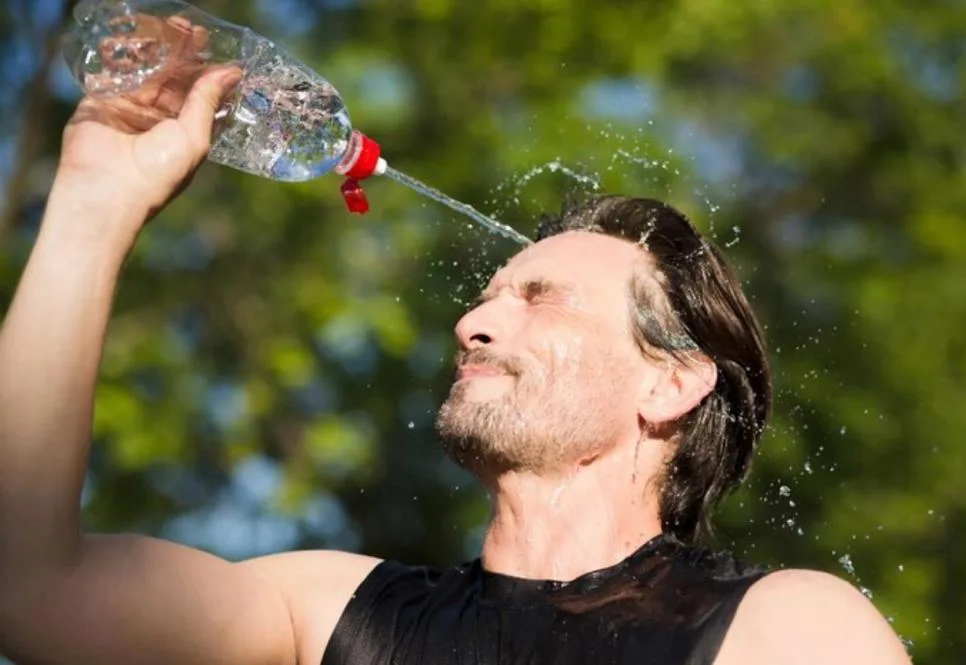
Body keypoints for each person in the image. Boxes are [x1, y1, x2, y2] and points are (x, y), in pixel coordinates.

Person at [0, 62, 913, 665]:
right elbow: (32, 591)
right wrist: (92, 204)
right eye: (488, 294)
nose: (473, 322)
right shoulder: (332, 613)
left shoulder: (785, 629)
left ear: (670, 383)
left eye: (540, 296)